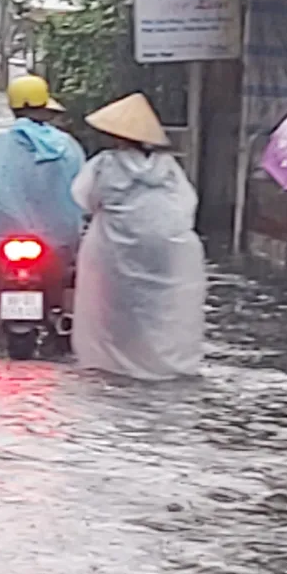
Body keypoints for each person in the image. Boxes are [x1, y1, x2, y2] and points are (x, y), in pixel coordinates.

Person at [71, 93, 206, 380]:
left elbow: (84, 199)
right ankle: (159, 361)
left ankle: (116, 361)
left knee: (114, 304)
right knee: (159, 308)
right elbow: (186, 205)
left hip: (115, 247)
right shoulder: (168, 167)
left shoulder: (105, 164)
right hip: (168, 247)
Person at [0, 74, 85, 326]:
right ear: (46, 107)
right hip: (59, 238)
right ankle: (68, 319)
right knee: (71, 273)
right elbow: (84, 190)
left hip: (5, 236)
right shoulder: (68, 145)